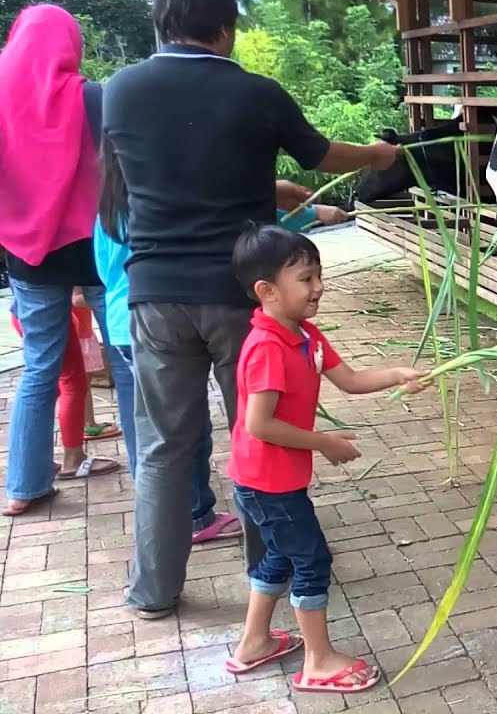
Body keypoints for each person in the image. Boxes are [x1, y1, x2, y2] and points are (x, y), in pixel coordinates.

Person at [104, 0, 398, 619]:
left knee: (162, 446)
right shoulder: (256, 92)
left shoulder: (120, 90)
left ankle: (153, 590)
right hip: (244, 296)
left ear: (162, 22)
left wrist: (271, 191)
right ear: (224, 28)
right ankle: (282, 568)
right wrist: (377, 155)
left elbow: (166, 176)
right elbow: (323, 156)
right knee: (258, 440)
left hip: (155, 295)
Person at [93, 140, 351, 544]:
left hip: (128, 322)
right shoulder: (268, 343)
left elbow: (103, 270)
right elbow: (256, 240)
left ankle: (188, 519)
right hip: (179, 313)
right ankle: (235, 520)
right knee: (199, 428)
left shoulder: (110, 212)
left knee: (160, 433)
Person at [224, 226, 421, 692]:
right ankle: (318, 660)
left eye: (319, 275)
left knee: (281, 553)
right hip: (265, 481)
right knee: (311, 560)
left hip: (275, 479)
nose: (318, 287)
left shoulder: (304, 334)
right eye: (306, 279)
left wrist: (396, 374)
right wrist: (323, 441)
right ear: (266, 291)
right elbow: (260, 424)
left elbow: (348, 379)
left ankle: (254, 642)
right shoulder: (268, 347)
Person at [0, 4, 131, 516]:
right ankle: (159, 486)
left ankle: (24, 485)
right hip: (97, 252)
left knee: (38, 370)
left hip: (27, 256)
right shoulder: (93, 98)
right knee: (124, 361)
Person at [8, 292, 121, 480]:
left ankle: (32, 465)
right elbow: (76, 295)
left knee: (39, 383)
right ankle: (73, 459)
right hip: (50, 313)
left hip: (24, 309)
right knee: (71, 383)